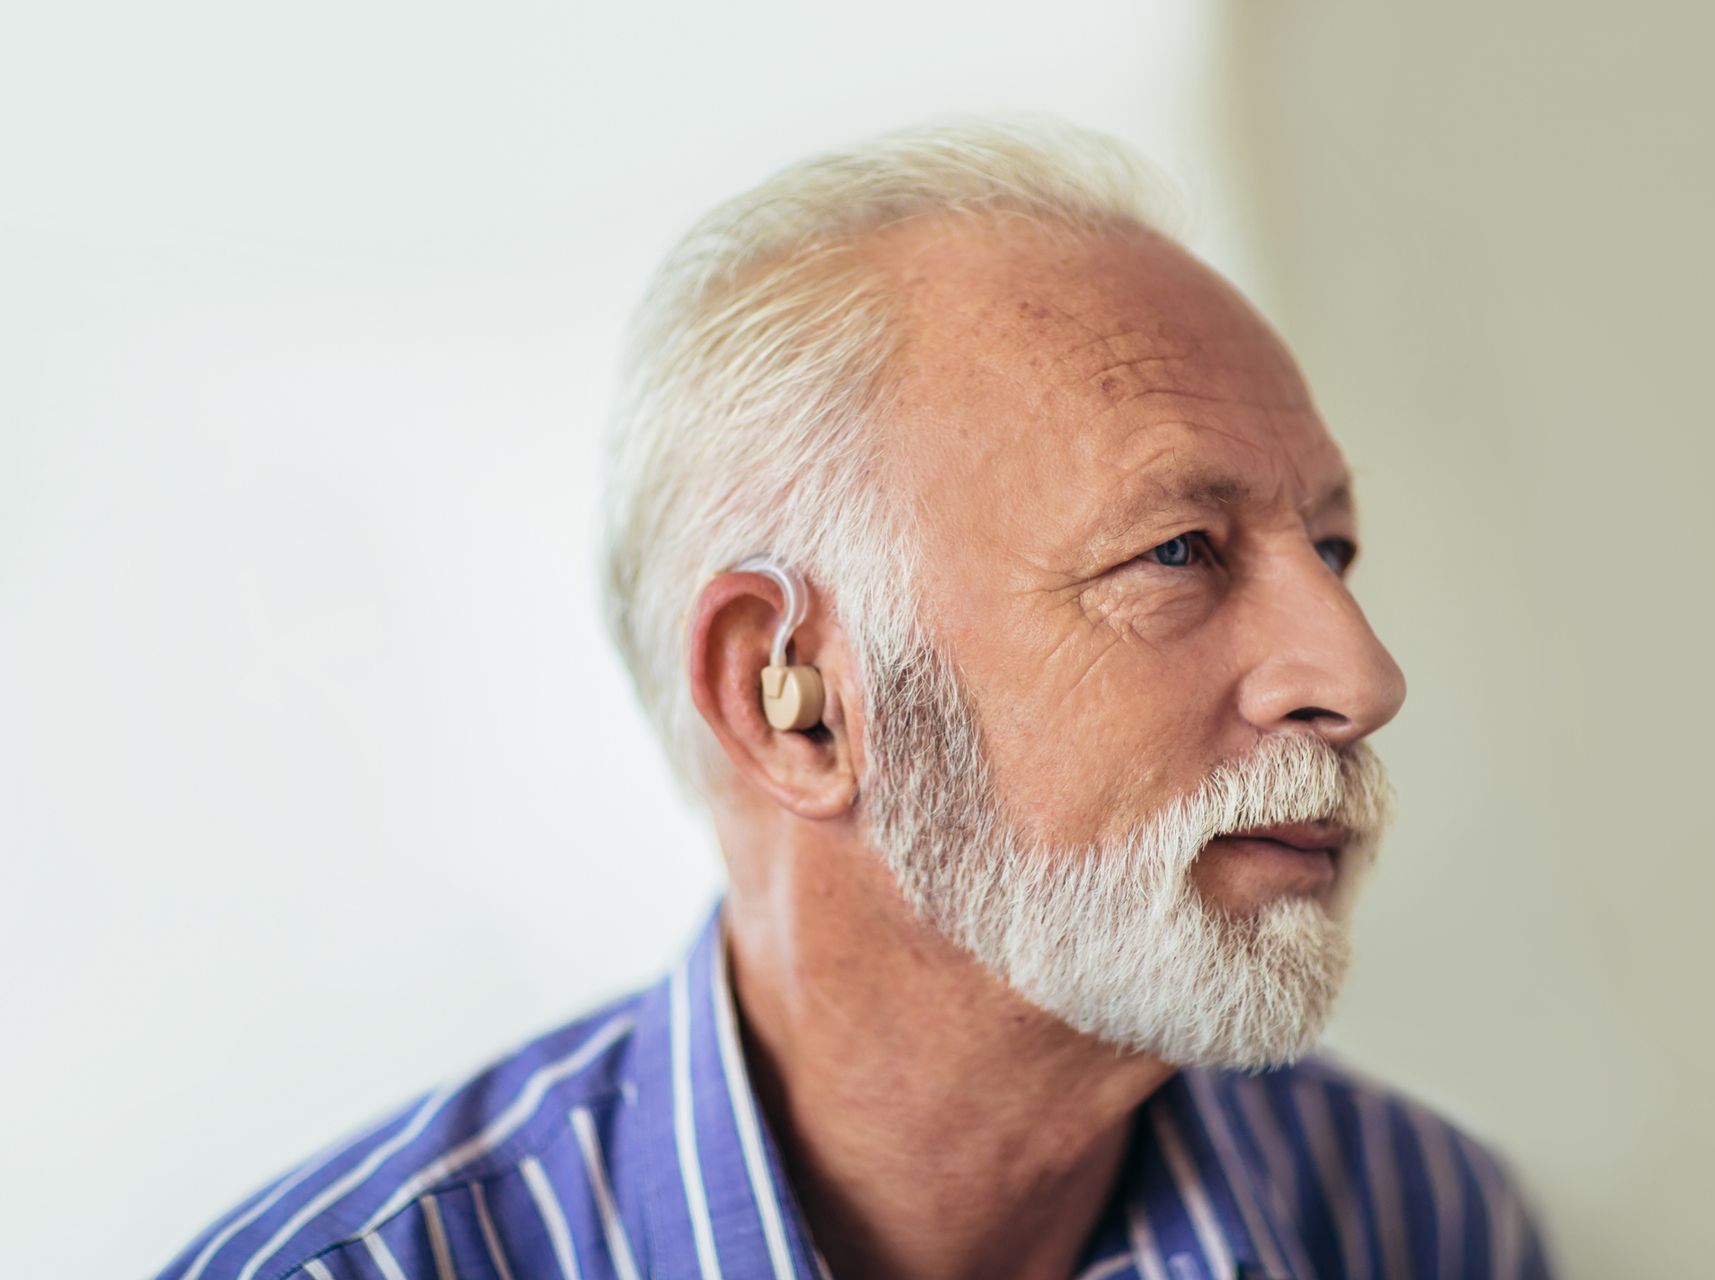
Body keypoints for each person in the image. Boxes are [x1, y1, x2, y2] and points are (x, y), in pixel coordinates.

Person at [156, 117, 1554, 1280]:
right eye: (1176, 552)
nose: (1362, 678)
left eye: (1333, 549)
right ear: (796, 704)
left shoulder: (1421, 1226)